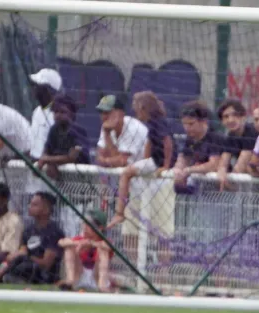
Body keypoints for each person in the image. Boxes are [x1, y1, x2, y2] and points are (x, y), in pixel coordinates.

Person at [108, 91, 175, 230]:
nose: (135, 113)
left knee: (126, 173)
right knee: (131, 172)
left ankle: (119, 212)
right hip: (154, 161)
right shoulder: (151, 123)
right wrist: (144, 161)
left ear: (144, 108)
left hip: (159, 162)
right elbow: (149, 143)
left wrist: (166, 165)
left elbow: (167, 142)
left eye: (137, 110)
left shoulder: (158, 122)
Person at [0, 192, 64, 284]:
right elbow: (23, 250)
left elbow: (46, 264)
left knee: (24, 264)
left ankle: (1, 276)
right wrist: (16, 255)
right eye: (30, 203)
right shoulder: (29, 229)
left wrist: (25, 256)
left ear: (46, 210)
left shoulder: (54, 232)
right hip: (27, 261)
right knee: (4, 255)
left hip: (44, 273)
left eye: (34, 205)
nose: (29, 206)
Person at [172, 100, 224, 193]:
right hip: (199, 191)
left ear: (204, 121)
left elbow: (214, 164)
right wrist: (178, 169)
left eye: (191, 124)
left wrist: (188, 170)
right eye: (184, 123)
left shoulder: (215, 137)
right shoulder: (190, 139)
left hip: (219, 192)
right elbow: (183, 158)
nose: (186, 128)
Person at [58, 211, 113, 292]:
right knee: (69, 248)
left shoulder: (104, 241)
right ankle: (70, 281)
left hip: (97, 277)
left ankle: (102, 286)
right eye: (84, 224)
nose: (85, 227)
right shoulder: (81, 239)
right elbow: (61, 242)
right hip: (79, 275)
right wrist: (79, 243)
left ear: (100, 228)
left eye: (89, 225)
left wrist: (91, 243)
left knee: (103, 250)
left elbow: (108, 246)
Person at [35, 94, 88, 180]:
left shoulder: (78, 131)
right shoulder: (54, 130)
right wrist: (49, 162)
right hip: (60, 182)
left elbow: (71, 157)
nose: (58, 115)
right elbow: (46, 152)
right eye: (55, 112)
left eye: (62, 112)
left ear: (72, 114)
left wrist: (47, 160)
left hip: (81, 180)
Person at [94, 94, 148, 168]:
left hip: (146, 177)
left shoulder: (134, 128)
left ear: (121, 113)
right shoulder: (106, 127)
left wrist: (107, 134)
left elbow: (121, 163)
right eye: (101, 112)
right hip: (123, 176)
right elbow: (100, 157)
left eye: (107, 112)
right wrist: (107, 133)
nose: (103, 117)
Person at [216, 99, 256, 190]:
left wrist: (230, 182)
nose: (230, 120)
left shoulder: (251, 131)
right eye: (226, 117)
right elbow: (223, 162)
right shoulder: (230, 136)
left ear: (243, 116)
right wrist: (221, 173)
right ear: (222, 121)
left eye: (235, 115)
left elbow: (242, 164)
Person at [28, 68, 62, 160]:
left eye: (38, 85)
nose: (34, 87)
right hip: (33, 166)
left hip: (47, 168)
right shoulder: (36, 112)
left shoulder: (59, 115)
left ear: (49, 89)